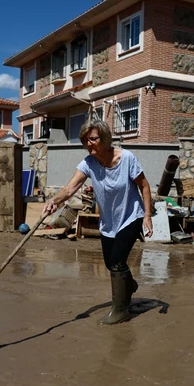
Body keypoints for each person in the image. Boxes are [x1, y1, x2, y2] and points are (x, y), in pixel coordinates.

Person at [43, 120, 153, 325]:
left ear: (105, 139)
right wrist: (54, 202)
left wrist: (147, 216)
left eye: (92, 139)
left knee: (118, 260)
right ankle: (129, 285)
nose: (89, 143)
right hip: (109, 221)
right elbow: (69, 189)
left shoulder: (127, 158)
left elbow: (144, 186)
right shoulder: (88, 163)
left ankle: (121, 310)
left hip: (132, 216)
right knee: (111, 263)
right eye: (85, 140)